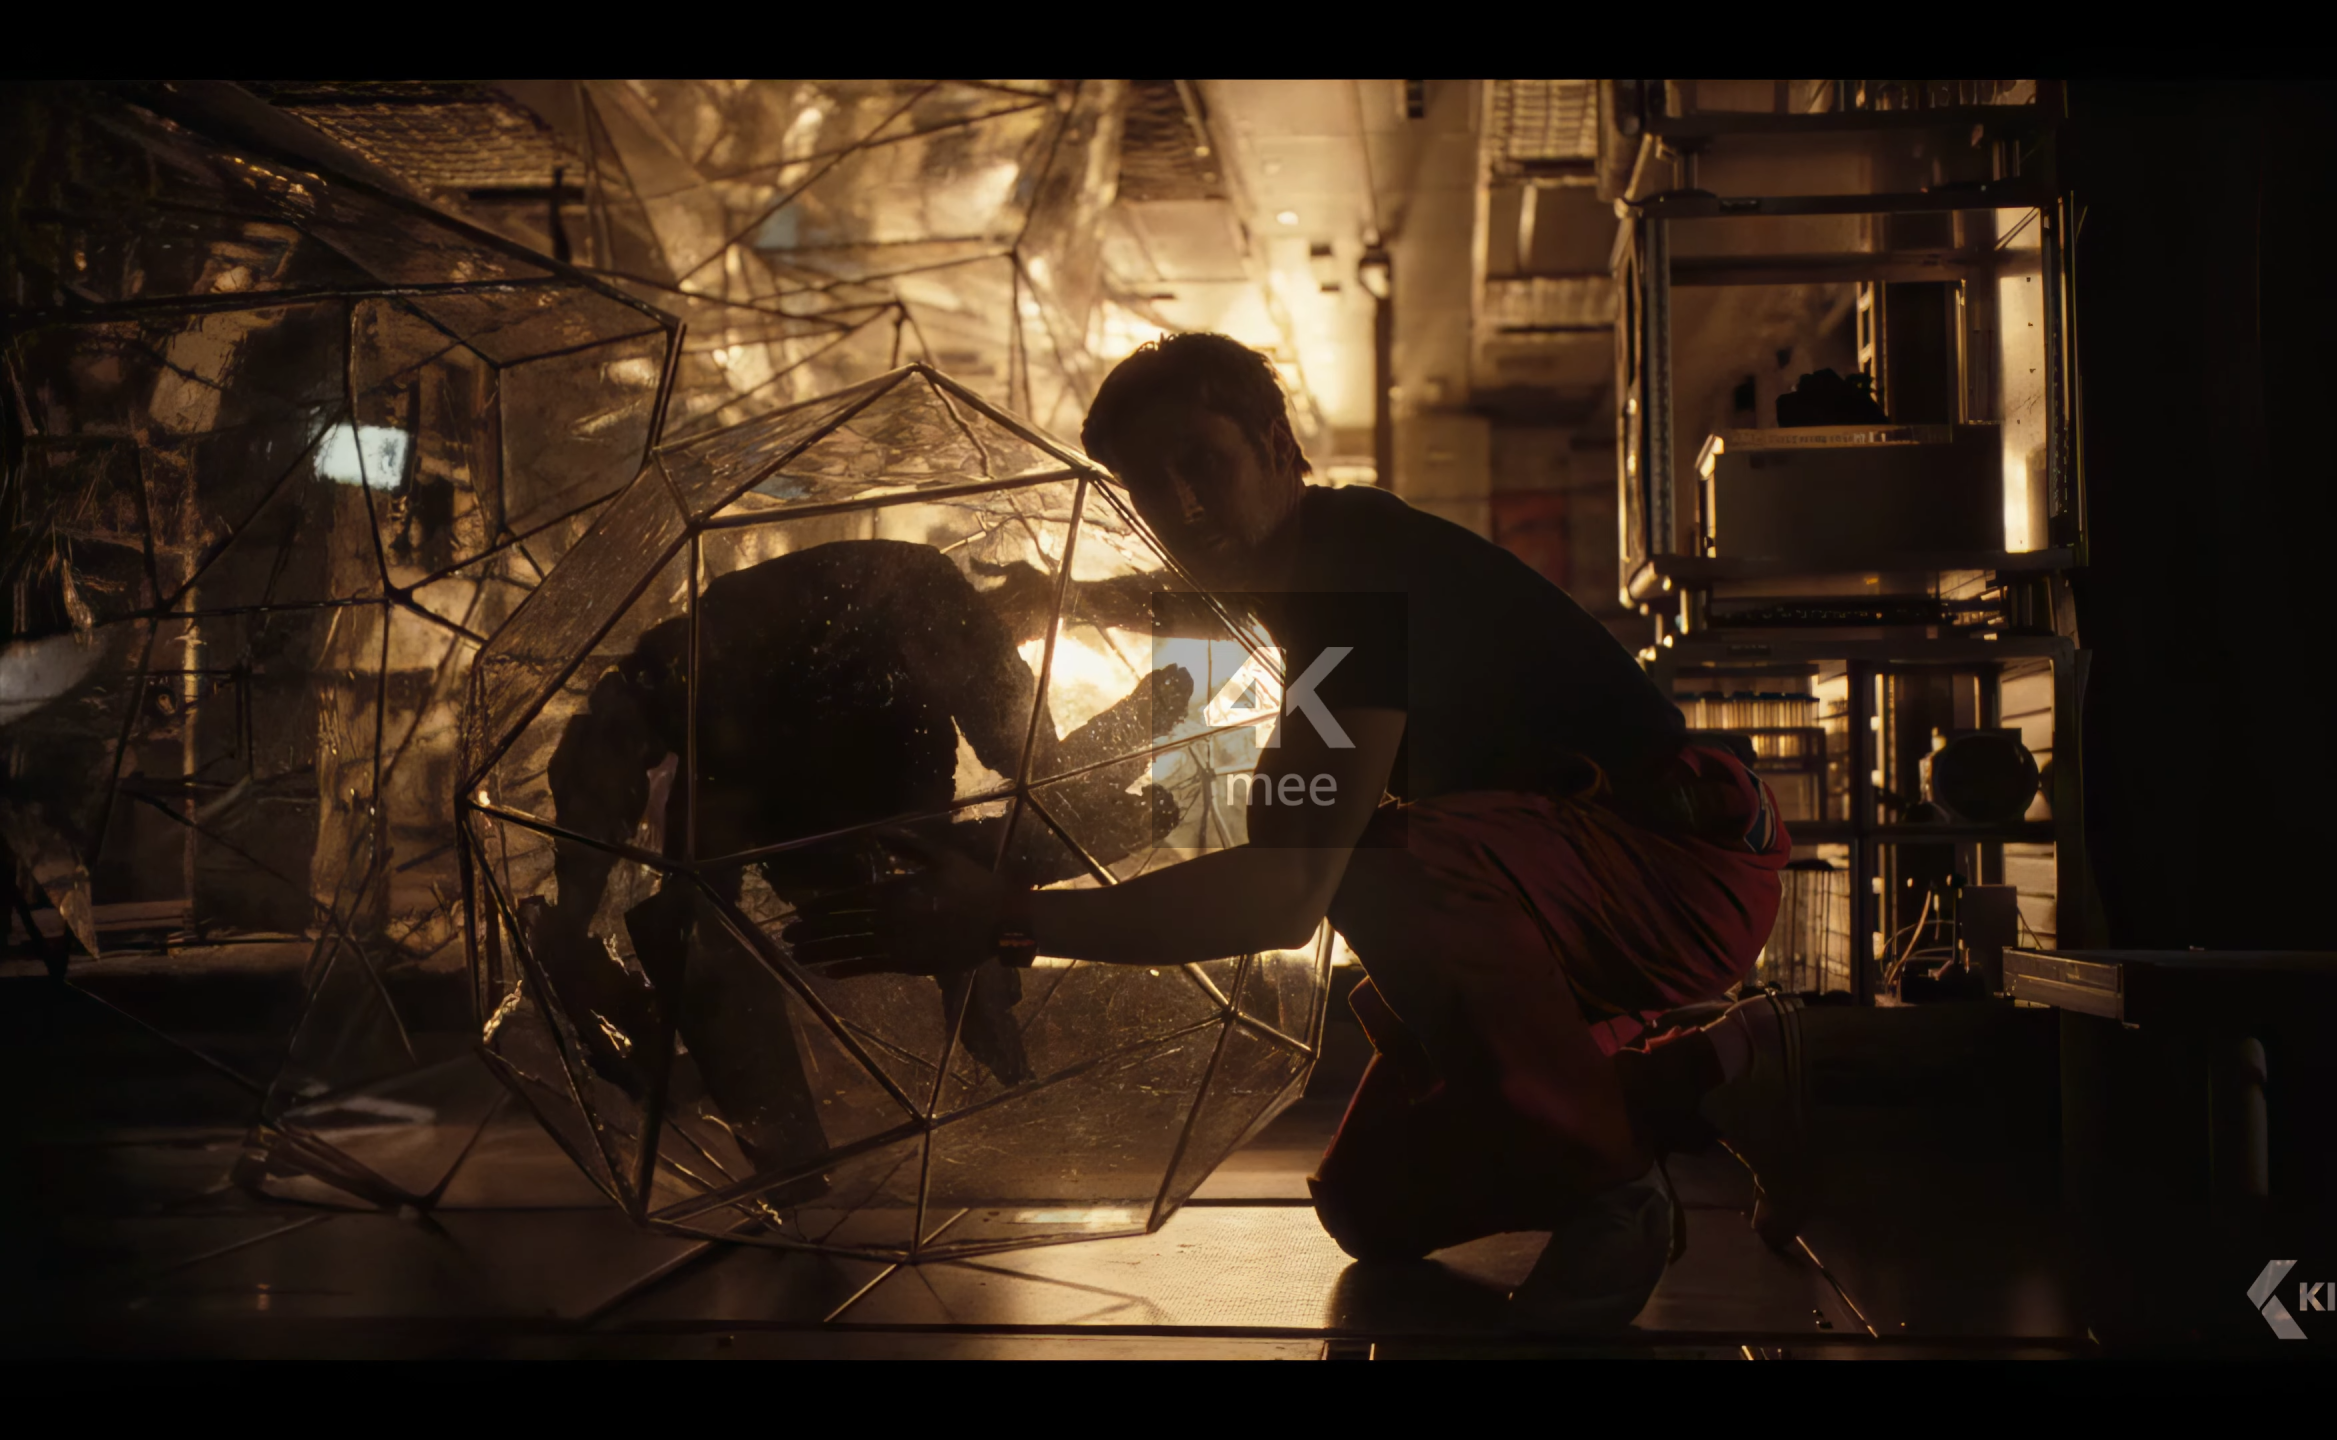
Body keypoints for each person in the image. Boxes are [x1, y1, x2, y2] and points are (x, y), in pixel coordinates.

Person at [859, 334, 1805, 1331]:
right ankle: (1717, 1071)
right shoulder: (1294, 578)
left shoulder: (1357, 580)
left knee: (1369, 864)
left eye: (1201, 463)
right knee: (1372, 1207)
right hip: (1565, 895)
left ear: (1277, 444)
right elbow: (1201, 683)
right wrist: (1068, 607)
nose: (1180, 507)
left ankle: (1617, 1193)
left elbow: (1288, 889)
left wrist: (1010, 919)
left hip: (1676, 872)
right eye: (1146, 485)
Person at [528, 538, 1189, 1194]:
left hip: (872, 676)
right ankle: (1071, 831)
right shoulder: (698, 707)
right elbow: (685, 858)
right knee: (986, 810)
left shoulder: (709, 697)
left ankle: (1068, 832)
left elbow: (680, 849)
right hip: (843, 710)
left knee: (1012, 788)